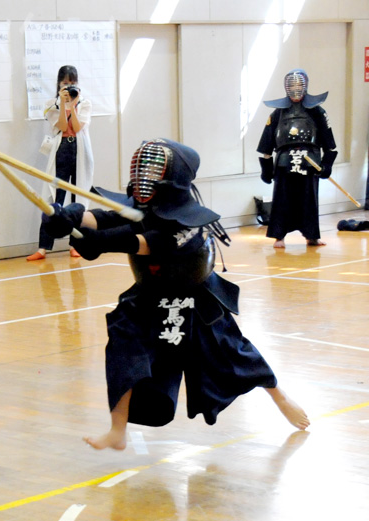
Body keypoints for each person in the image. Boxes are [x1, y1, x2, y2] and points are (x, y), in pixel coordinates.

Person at [42, 139, 310, 451]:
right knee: (123, 347)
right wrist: (70, 216)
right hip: (149, 296)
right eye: (143, 167)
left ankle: (281, 398)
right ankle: (117, 431)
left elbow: (145, 242)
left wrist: (98, 242)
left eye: (154, 168)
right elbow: (107, 218)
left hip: (197, 300)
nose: (145, 173)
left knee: (234, 353)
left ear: (174, 176)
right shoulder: (141, 207)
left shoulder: (189, 223)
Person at [257, 69, 337, 248]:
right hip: (285, 161)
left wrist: (326, 165)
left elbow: (329, 143)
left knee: (309, 200)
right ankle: (279, 236)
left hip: (310, 161)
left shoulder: (317, 112)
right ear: (286, 88)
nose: (295, 90)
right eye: (291, 86)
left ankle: (311, 236)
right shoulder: (278, 113)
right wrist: (267, 169)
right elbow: (267, 143)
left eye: (298, 86)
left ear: (305, 86)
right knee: (282, 199)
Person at [27, 65, 94, 261]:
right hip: (61, 150)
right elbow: (63, 127)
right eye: (65, 83)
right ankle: (43, 248)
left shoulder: (85, 103)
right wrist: (64, 105)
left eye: (72, 83)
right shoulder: (51, 104)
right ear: (59, 84)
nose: (69, 86)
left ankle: (76, 245)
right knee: (53, 199)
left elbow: (78, 127)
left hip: (80, 152)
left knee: (78, 199)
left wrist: (72, 105)